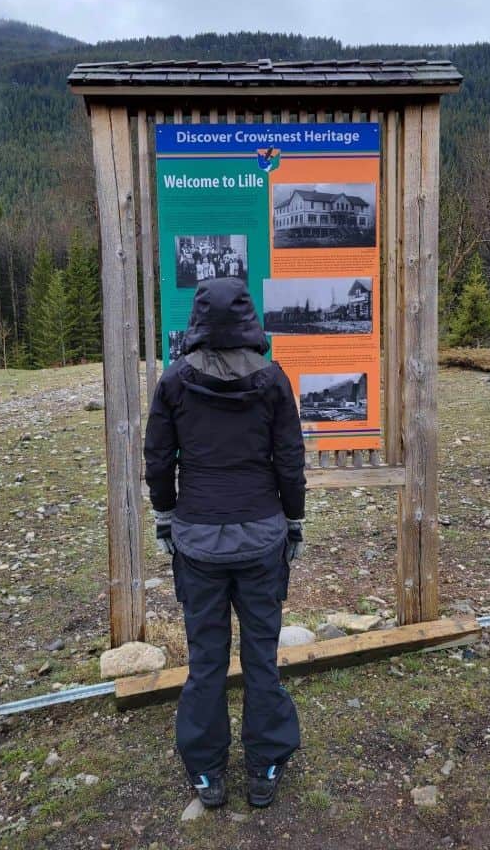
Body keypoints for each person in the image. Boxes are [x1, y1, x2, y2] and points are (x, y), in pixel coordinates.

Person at [144, 277, 306, 809]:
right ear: (248, 319)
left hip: (197, 539)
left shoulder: (173, 381)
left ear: (197, 320)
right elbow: (289, 460)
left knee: (205, 658)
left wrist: (166, 516)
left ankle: (207, 771)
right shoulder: (274, 379)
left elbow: (159, 459)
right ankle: (266, 764)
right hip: (262, 535)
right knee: (262, 656)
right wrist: (295, 521)